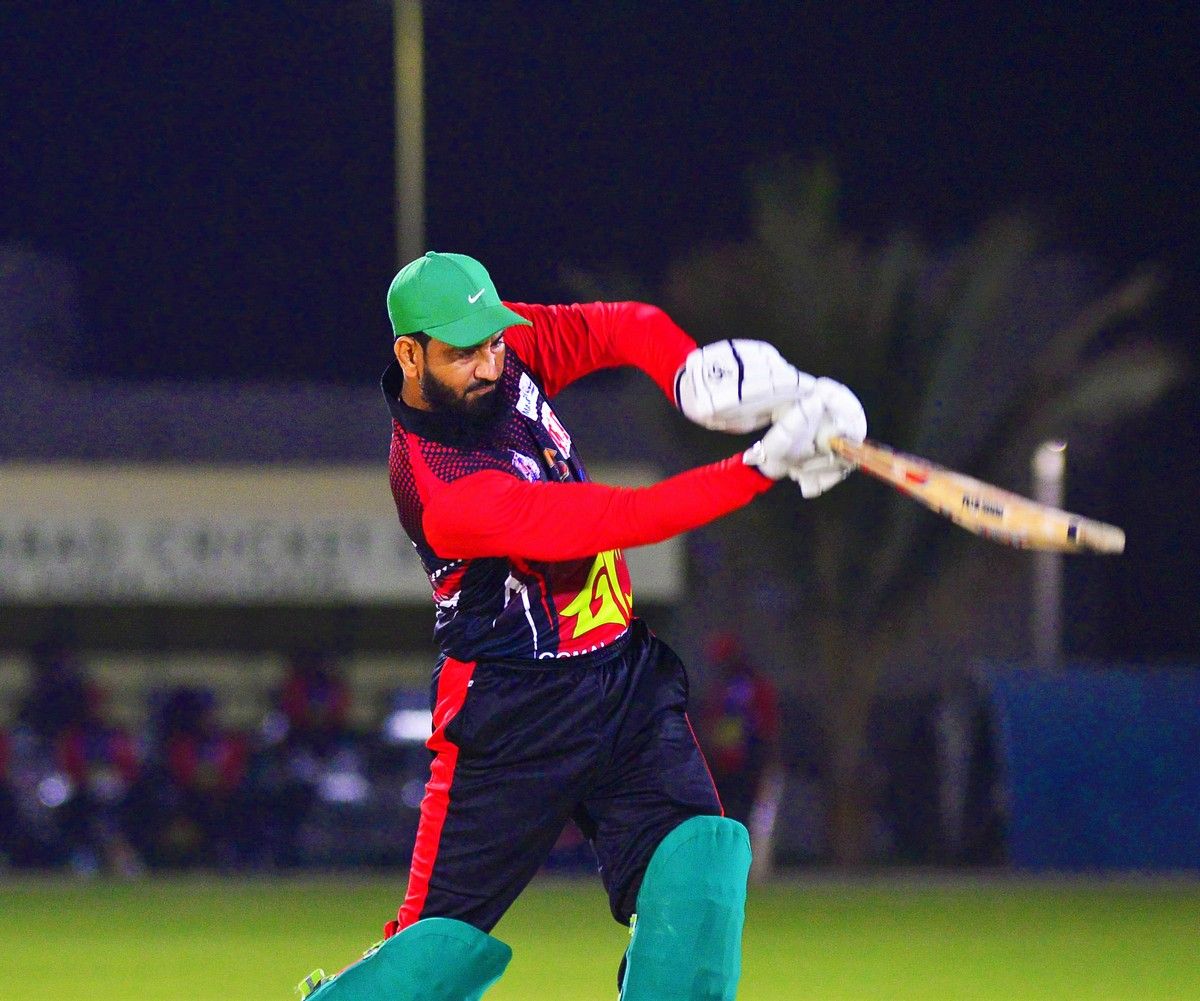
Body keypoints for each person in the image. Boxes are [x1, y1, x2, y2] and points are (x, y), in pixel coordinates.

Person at [297, 252, 866, 1001]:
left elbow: (622, 325)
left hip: (621, 679)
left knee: (700, 875)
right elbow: (622, 518)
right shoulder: (445, 487)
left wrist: (687, 372)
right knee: (428, 960)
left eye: (493, 341)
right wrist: (762, 465)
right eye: (464, 352)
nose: (490, 362)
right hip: (510, 715)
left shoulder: (502, 349)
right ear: (409, 354)